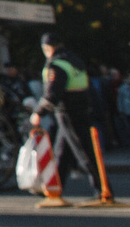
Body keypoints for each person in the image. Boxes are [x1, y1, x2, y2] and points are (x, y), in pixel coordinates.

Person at [36, 34, 95, 189]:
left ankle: (102, 188)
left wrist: (39, 112)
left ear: (47, 48)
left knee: (83, 152)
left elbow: (53, 93)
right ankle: (55, 187)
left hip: (67, 111)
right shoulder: (74, 60)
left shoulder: (56, 64)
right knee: (62, 151)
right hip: (80, 107)